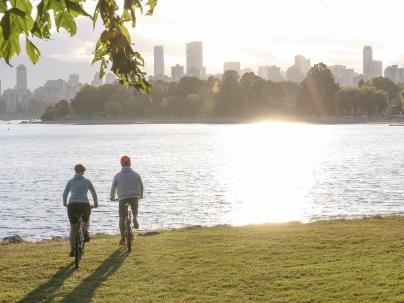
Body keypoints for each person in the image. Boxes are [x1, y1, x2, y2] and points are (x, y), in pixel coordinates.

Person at [63, 164, 98, 257]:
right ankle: (85, 230)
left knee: (73, 228)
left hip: (72, 205)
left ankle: (72, 250)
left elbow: (65, 193)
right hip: (84, 204)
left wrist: (65, 203)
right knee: (86, 220)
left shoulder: (70, 182)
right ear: (83, 171)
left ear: (75, 171)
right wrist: (96, 204)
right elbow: (93, 193)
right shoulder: (87, 181)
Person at [110, 155, 143, 245]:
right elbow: (141, 185)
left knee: (121, 218)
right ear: (130, 163)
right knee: (134, 209)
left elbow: (113, 188)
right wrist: (141, 195)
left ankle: (122, 237)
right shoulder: (135, 174)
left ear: (121, 164)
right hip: (134, 196)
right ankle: (135, 219)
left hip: (123, 198)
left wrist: (112, 197)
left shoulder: (118, 175)